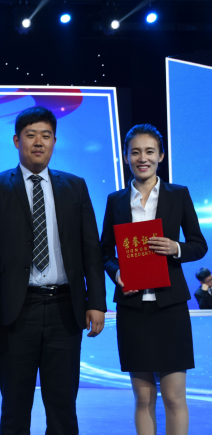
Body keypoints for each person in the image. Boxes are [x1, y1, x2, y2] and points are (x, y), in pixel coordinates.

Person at [0, 106, 106, 435]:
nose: (38, 142)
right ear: (16, 140)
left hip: (65, 308)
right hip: (16, 311)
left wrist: (96, 302)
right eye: (31, 135)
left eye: (46, 136)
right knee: (15, 406)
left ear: (54, 142)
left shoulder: (75, 186)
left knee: (63, 407)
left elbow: (91, 249)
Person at [100, 124, 207, 435]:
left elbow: (199, 245)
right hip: (133, 308)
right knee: (144, 398)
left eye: (149, 151)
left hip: (170, 307)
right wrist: (116, 272)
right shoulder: (116, 200)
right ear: (126, 157)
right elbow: (104, 251)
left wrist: (176, 248)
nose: (142, 158)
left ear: (160, 156)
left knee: (174, 398)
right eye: (135, 152)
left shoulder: (178, 194)